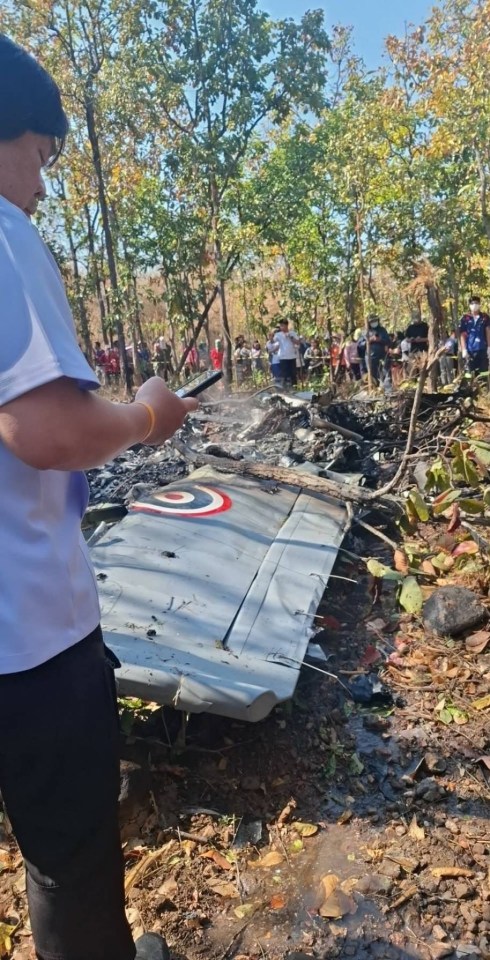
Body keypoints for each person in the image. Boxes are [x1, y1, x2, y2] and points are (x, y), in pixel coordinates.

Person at [0, 34, 198, 960]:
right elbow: (48, 430)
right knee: (69, 866)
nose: (43, 185)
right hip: (30, 637)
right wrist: (148, 414)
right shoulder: (4, 235)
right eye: (41, 157)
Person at [459, 295, 490, 375]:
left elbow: (488, 332)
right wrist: (464, 349)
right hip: (469, 350)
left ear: (479, 304)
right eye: (472, 303)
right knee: (469, 375)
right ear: (469, 305)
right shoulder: (465, 318)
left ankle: (483, 383)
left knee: (483, 374)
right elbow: (462, 335)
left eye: (476, 303)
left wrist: (489, 347)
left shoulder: (485, 317)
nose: (474, 305)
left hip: (482, 349)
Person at [365, 314, 391, 385]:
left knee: (385, 372)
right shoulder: (366, 331)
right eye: (372, 321)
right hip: (371, 357)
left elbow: (388, 341)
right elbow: (360, 344)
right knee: (372, 374)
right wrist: (369, 340)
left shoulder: (382, 330)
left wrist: (380, 340)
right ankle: (374, 387)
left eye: (375, 320)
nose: (374, 322)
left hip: (382, 355)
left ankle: (386, 387)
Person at [274, 319, 300, 387]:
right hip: (283, 357)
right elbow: (273, 341)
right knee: (284, 374)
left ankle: (295, 387)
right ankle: (285, 388)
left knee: (293, 373)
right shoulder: (278, 334)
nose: (281, 327)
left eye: (282, 325)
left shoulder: (292, 333)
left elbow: (297, 342)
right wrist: (273, 333)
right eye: (280, 326)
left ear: (286, 325)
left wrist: (290, 337)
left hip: (292, 356)